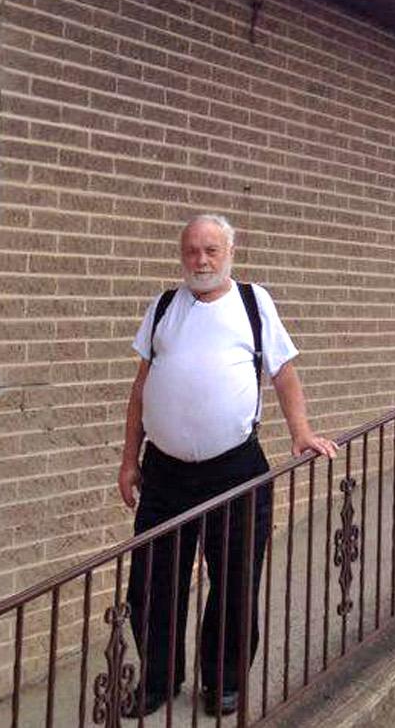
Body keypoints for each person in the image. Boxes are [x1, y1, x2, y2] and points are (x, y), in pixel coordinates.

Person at [118, 213, 336, 719]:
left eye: (211, 250)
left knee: (234, 577)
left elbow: (283, 375)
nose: (201, 260)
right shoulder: (165, 306)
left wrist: (301, 433)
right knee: (152, 579)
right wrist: (130, 460)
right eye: (192, 250)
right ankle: (156, 681)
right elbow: (139, 388)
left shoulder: (254, 304)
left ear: (230, 252)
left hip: (235, 469)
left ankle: (223, 683)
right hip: (165, 473)